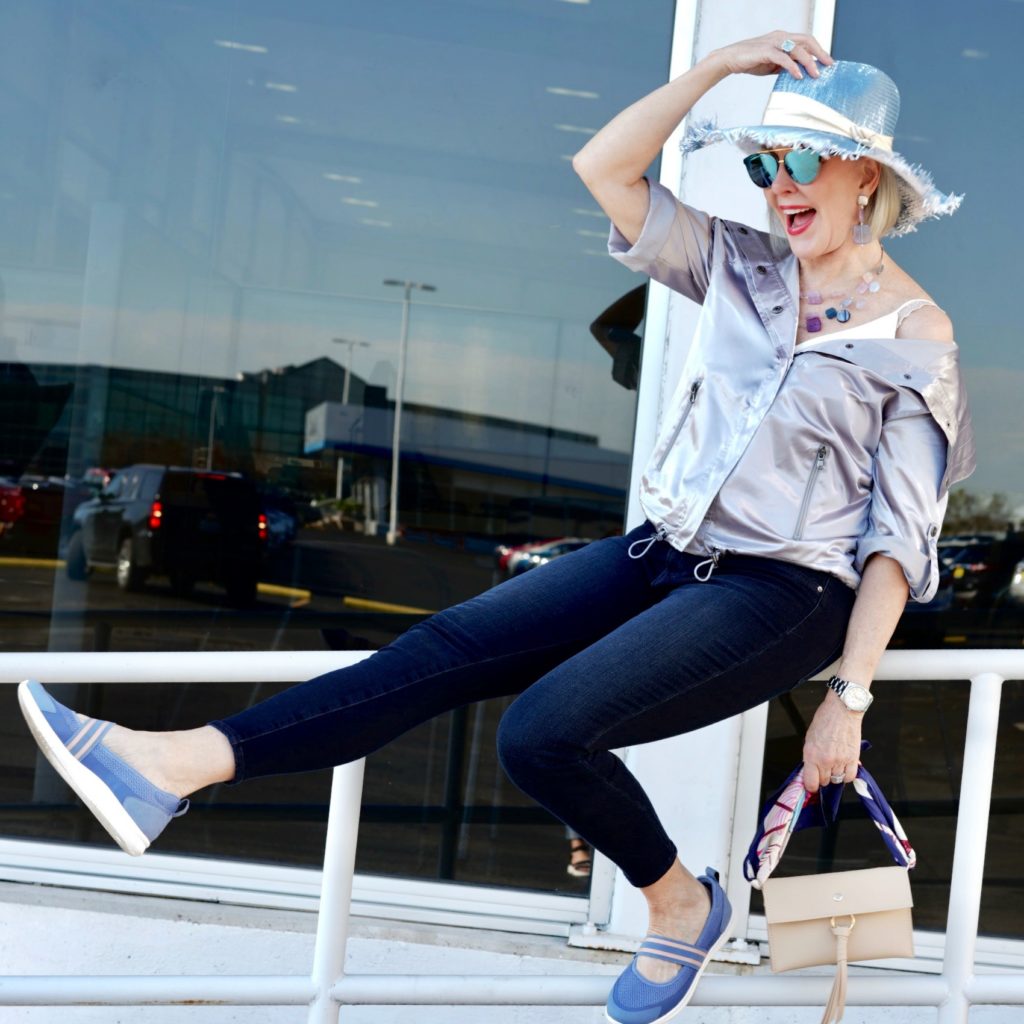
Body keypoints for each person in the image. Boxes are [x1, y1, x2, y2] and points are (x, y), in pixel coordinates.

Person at [18, 30, 974, 1024]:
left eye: (802, 160)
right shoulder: (741, 266)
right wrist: (709, 72)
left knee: (542, 731)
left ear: (865, 172)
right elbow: (600, 166)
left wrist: (848, 697)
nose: (779, 184)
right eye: (764, 162)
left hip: (786, 590)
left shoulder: (917, 335)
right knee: (443, 646)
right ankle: (171, 768)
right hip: (666, 550)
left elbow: (897, 536)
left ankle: (677, 904)